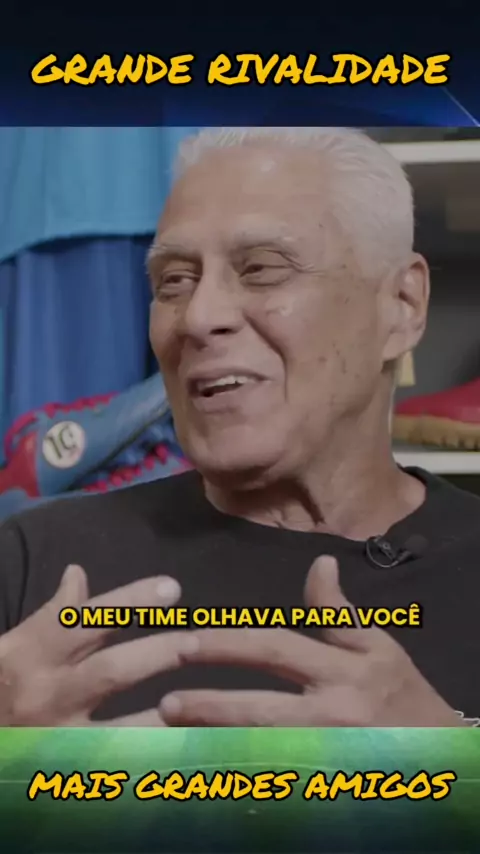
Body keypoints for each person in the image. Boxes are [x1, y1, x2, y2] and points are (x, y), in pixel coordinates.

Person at [0, 127, 479, 728]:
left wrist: (451, 761)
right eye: (173, 281)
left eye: (261, 269)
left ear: (402, 305)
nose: (198, 317)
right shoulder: (33, 564)